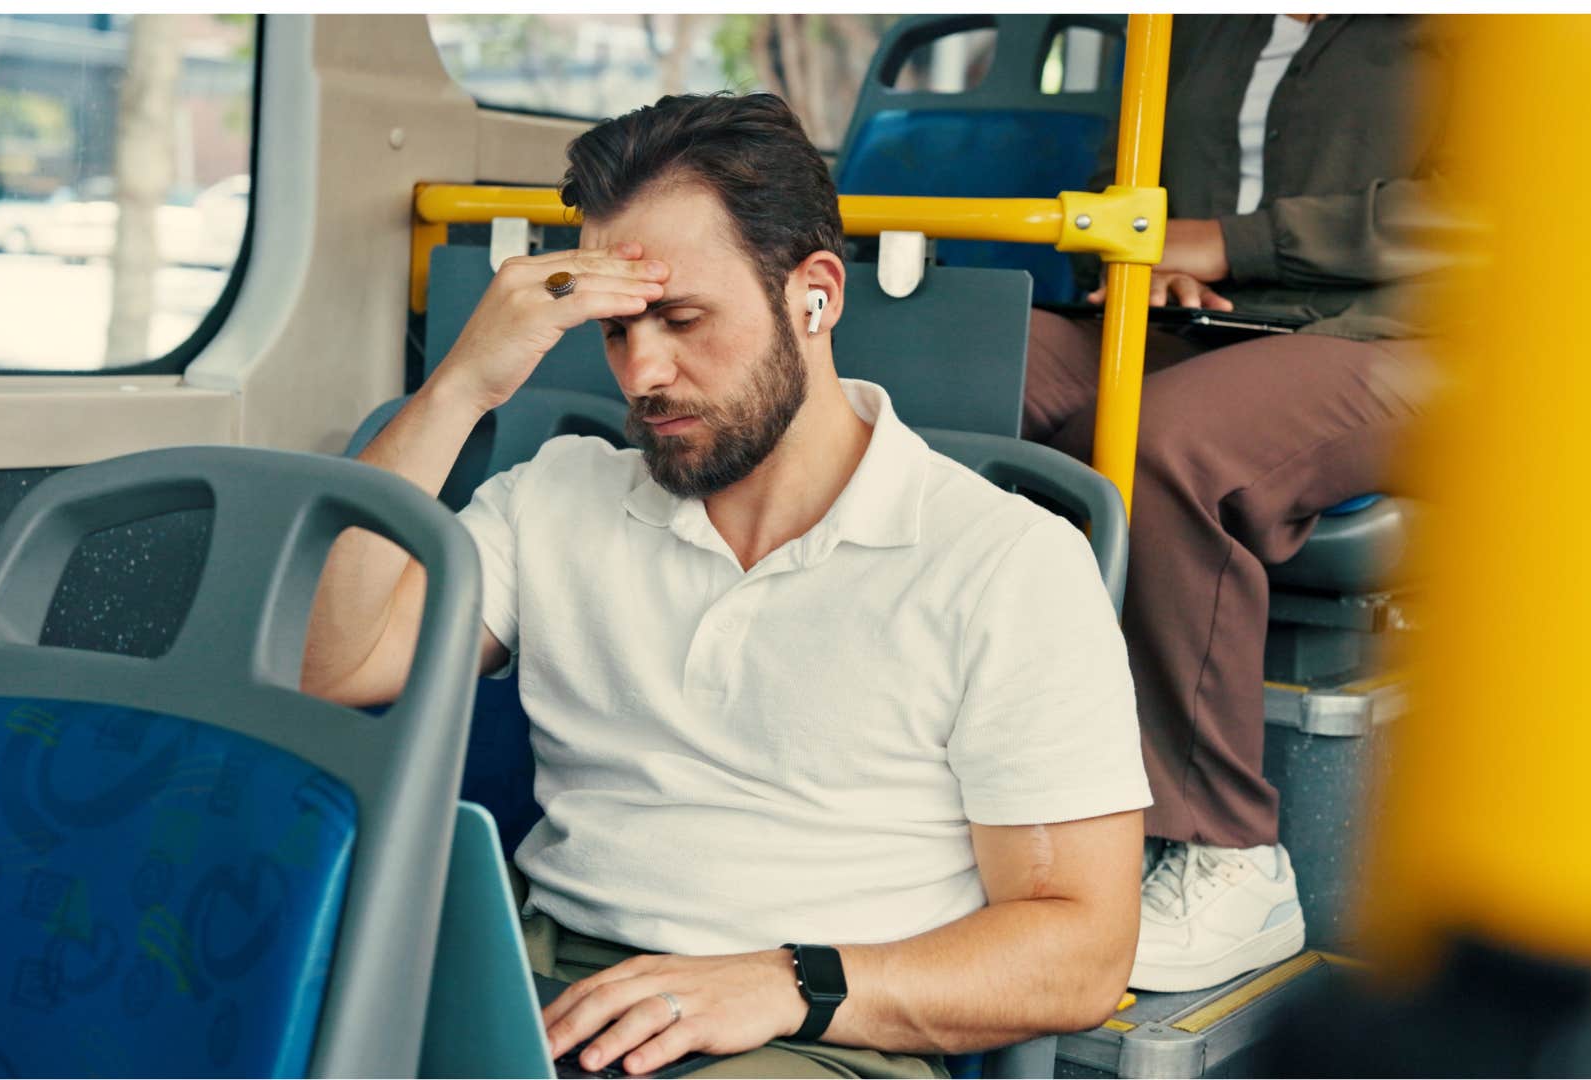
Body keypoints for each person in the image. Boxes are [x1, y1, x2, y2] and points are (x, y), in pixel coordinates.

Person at [305, 93, 1151, 1077]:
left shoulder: (1003, 562)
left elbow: (1080, 953)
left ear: (815, 295)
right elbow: (339, 664)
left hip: (813, 1028)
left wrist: (786, 982)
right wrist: (462, 386)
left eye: (680, 318)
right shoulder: (555, 498)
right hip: (553, 984)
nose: (642, 374)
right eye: (618, 330)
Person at [1025, 15, 1452, 993]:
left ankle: (1227, 851)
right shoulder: (1199, 25)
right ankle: (1018, 806)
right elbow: (1127, 180)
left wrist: (1228, 241)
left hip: (1410, 338)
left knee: (1162, 443)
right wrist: (1153, 255)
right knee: (971, 381)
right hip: (1212, 321)